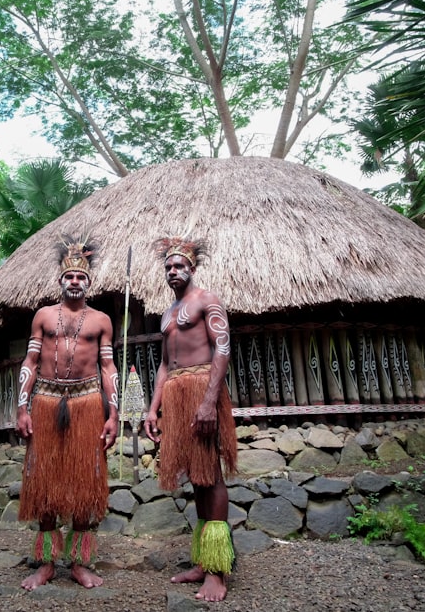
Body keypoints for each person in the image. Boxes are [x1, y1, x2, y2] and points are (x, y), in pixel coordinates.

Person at [15, 235, 120, 591]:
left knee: (84, 482)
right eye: (70, 277)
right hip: (44, 401)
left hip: (88, 402)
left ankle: (79, 562)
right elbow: (29, 361)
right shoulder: (43, 316)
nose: (75, 282)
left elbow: (109, 368)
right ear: (60, 280)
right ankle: (45, 563)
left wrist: (113, 414)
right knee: (43, 480)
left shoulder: (102, 320)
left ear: (90, 282)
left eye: (81, 278)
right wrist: (21, 408)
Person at [144, 236, 238, 602]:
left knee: (210, 473)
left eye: (179, 266)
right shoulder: (167, 313)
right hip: (176, 392)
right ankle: (203, 560)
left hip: (202, 388)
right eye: (168, 266)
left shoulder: (207, 300)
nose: (172, 271)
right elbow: (166, 364)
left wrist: (209, 401)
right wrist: (154, 408)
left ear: (192, 268)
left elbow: (223, 347)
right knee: (194, 476)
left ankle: (217, 572)